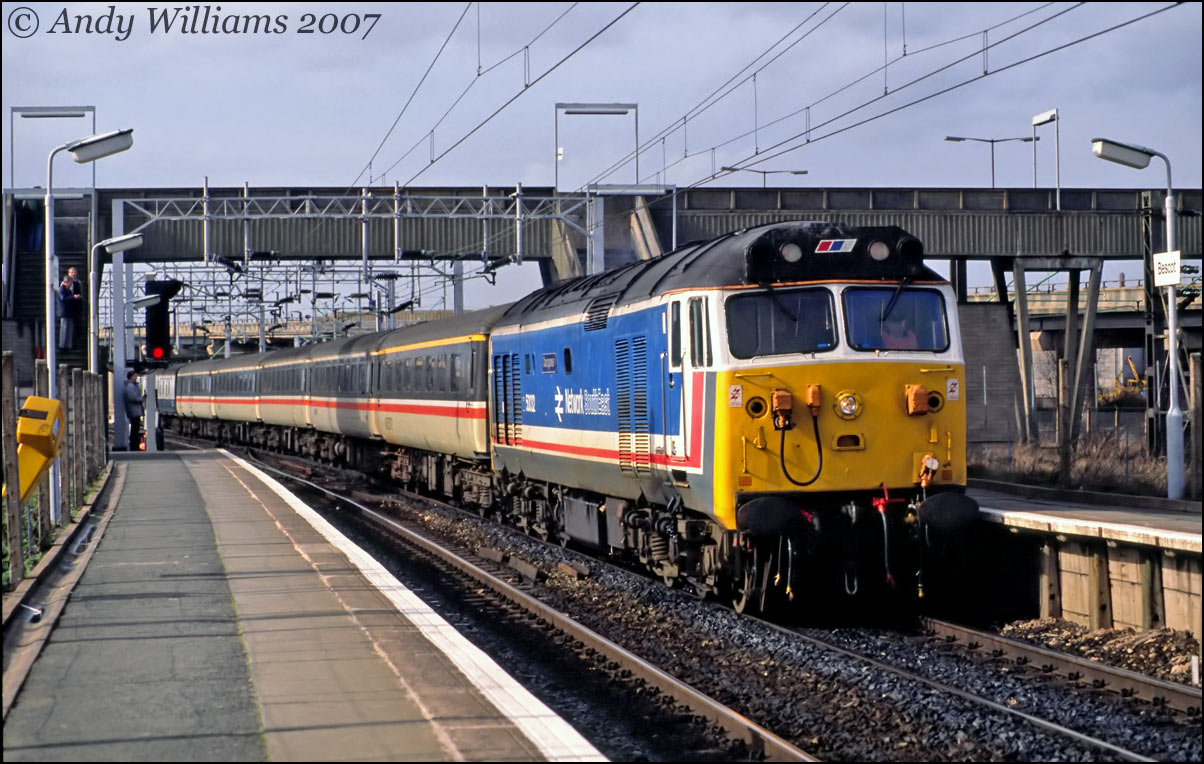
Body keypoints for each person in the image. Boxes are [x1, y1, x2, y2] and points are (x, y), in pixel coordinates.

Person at [58, 267, 83, 350]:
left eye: (75, 272)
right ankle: (63, 345)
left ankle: (69, 345)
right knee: (64, 328)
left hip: (73, 310)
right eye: (72, 272)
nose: (74, 274)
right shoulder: (63, 288)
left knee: (70, 328)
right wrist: (73, 297)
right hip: (66, 310)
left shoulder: (77, 283)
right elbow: (63, 297)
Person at [124, 370, 145, 450]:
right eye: (135, 376)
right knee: (134, 429)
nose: (136, 378)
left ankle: (134, 445)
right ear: (131, 377)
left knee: (135, 429)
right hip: (134, 411)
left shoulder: (131, 386)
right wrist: (142, 398)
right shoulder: (130, 386)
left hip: (134, 411)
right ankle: (134, 446)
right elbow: (133, 398)